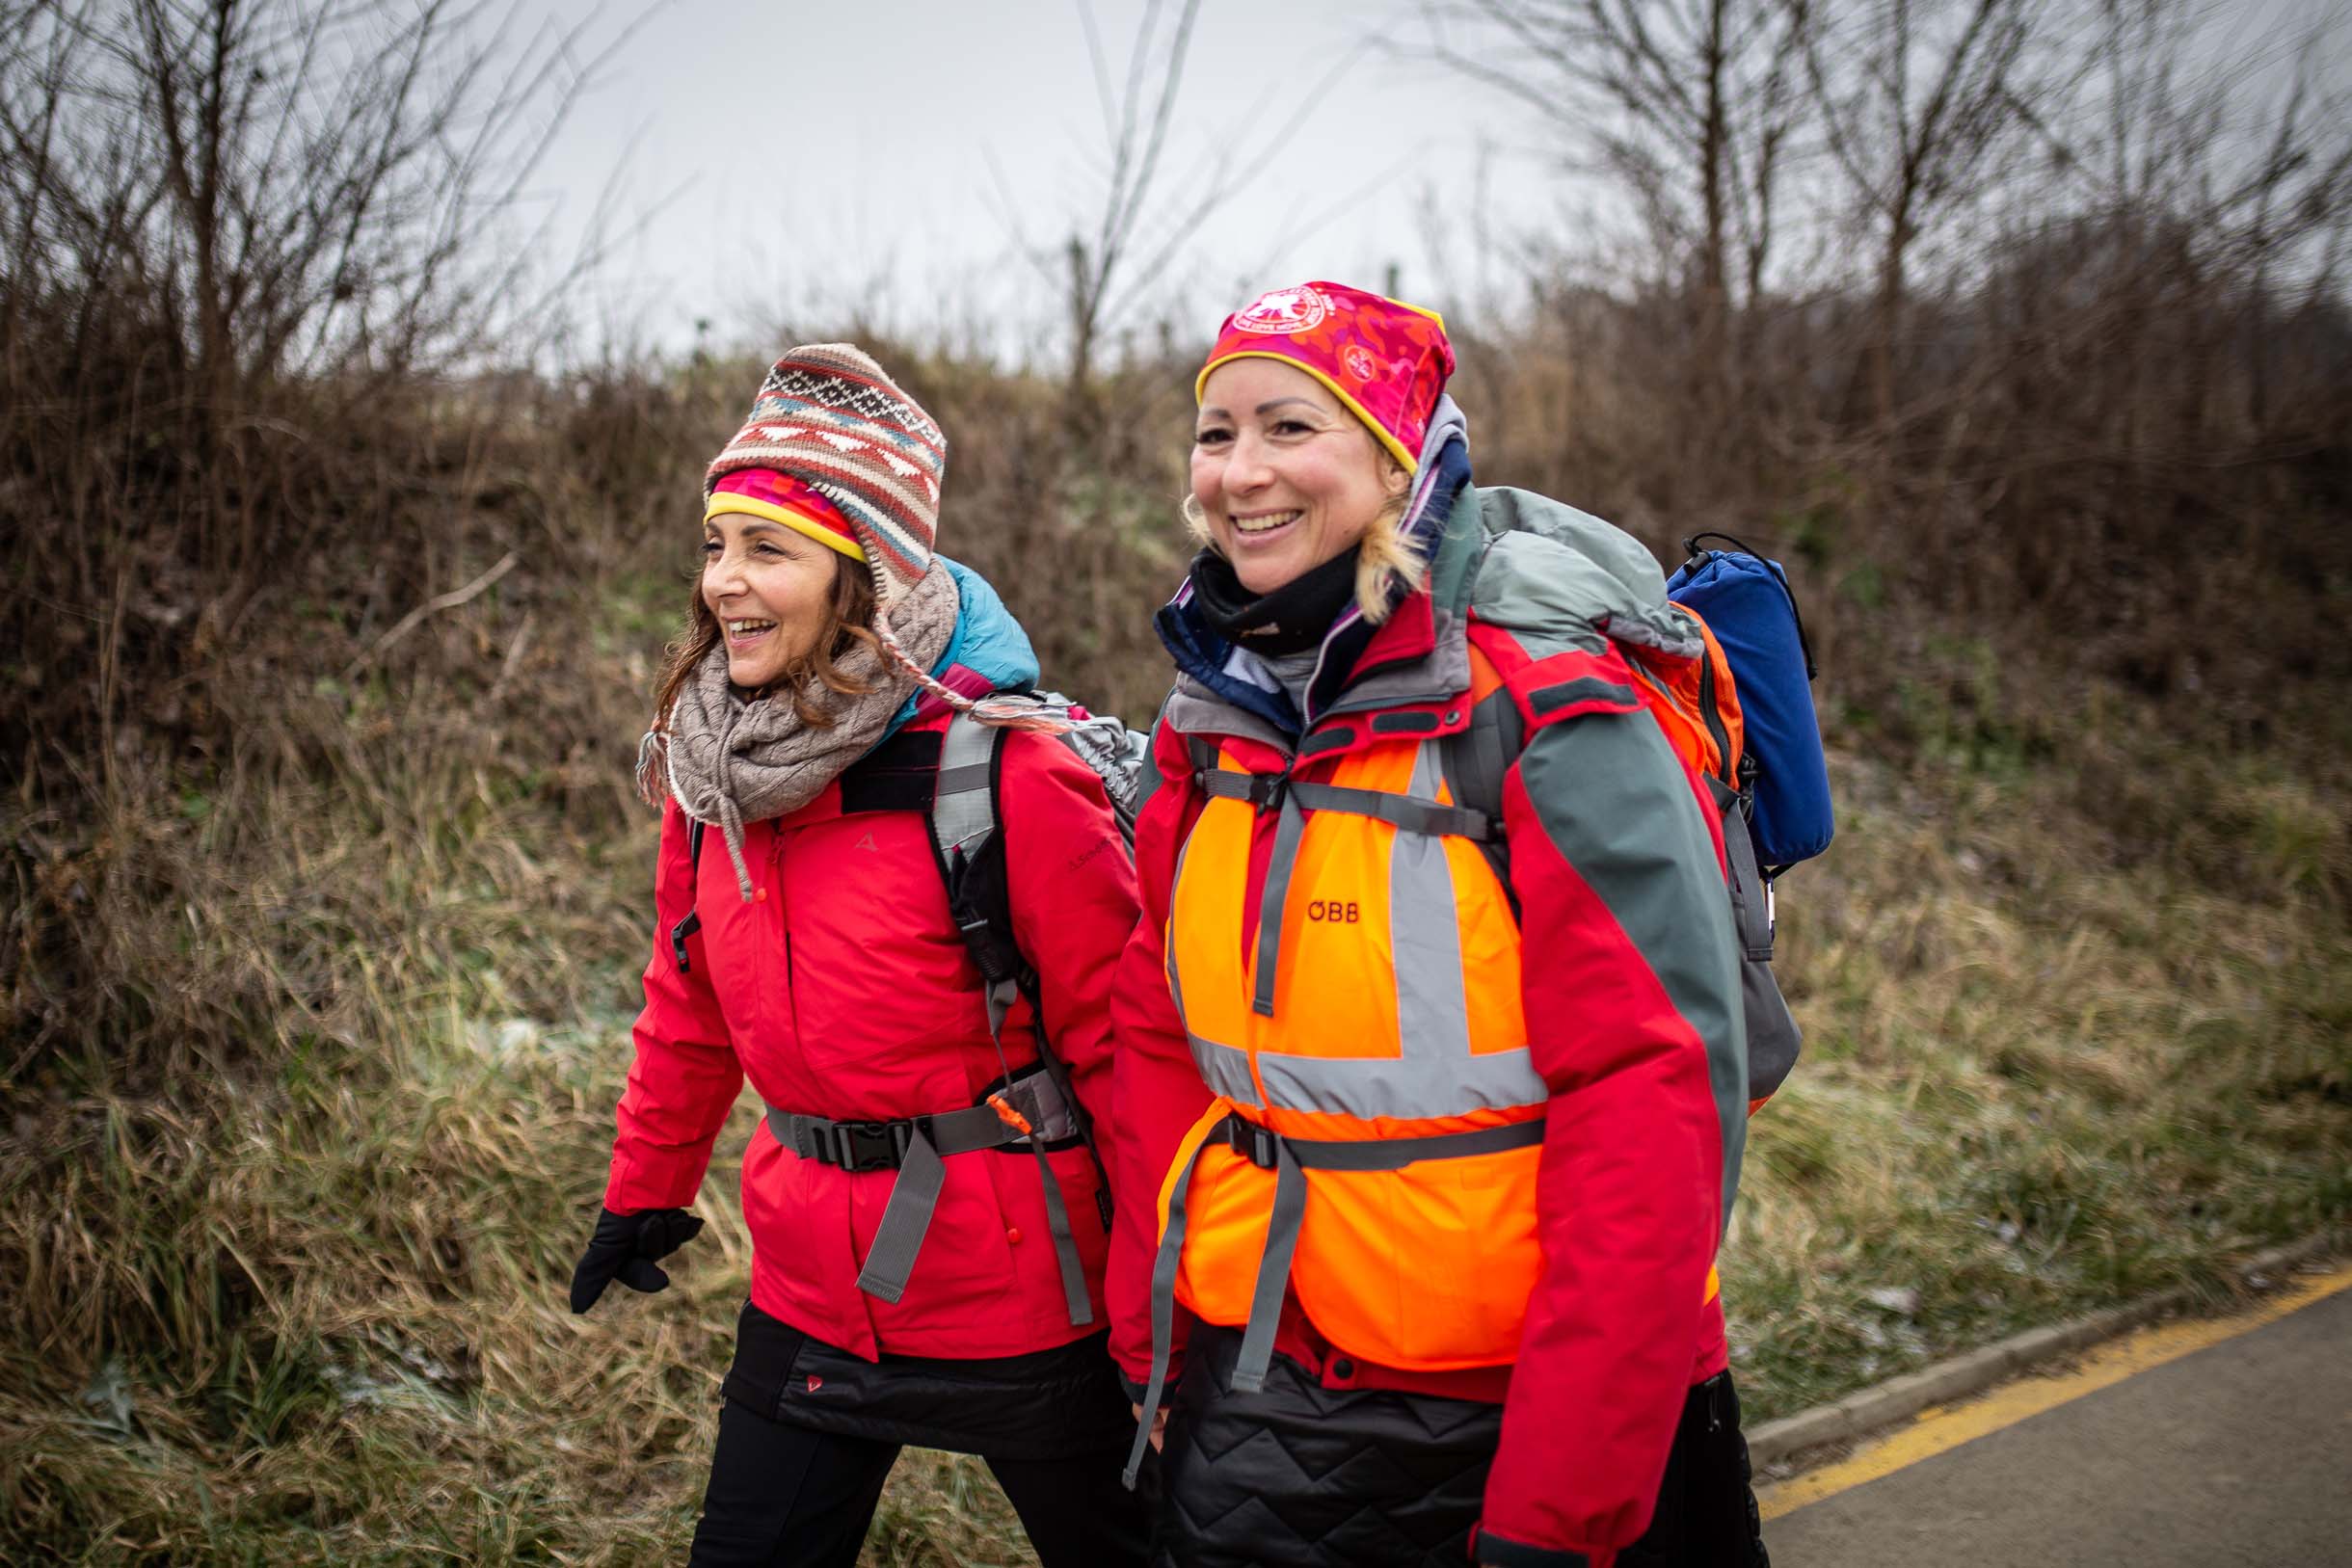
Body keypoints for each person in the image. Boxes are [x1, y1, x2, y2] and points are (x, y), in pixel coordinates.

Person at [1106, 283, 1771, 1567]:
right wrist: (1157, 1337)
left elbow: (1653, 1091)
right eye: (1216, 431)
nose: (1240, 472)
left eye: (1292, 426)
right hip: (1263, 1376)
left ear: (1399, 454)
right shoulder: (1208, 715)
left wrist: (1558, 1500)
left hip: (1532, 1404)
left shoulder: (1540, 699)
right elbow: (1156, 1044)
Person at [569, 344, 1150, 1568]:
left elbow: (1123, 1059)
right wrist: (646, 1184)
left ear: (863, 580)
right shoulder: (709, 770)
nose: (725, 581)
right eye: (717, 544)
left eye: (767, 550)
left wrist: (1159, 1318)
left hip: (1027, 1296)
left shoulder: (1007, 777)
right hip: (811, 1289)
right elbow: (688, 1001)